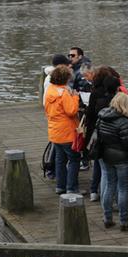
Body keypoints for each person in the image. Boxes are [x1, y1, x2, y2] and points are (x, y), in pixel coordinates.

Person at [97, 92, 128, 231]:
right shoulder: (123, 122)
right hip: (121, 159)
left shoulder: (102, 117)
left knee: (109, 185)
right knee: (122, 189)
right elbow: (127, 143)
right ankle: (124, 222)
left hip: (106, 156)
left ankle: (107, 218)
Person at [44, 65, 81, 195]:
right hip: (67, 132)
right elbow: (71, 111)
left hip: (54, 131)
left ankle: (60, 186)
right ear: (66, 79)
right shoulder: (64, 93)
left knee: (60, 160)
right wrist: (75, 97)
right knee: (74, 159)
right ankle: (71, 188)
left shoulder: (49, 90)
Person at [85, 74, 120, 202]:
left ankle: (95, 191)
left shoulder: (97, 98)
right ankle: (112, 200)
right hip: (113, 139)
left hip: (98, 134)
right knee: (110, 172)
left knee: (100, 167)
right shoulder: (118, 101)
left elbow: (90, 114)